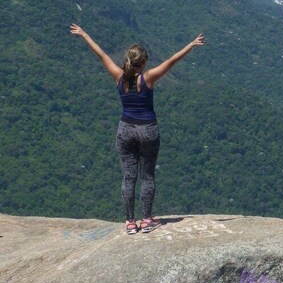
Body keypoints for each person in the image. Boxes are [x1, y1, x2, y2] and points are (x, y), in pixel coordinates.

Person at [70, 24, 205, 234]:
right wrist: (191, 45)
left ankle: (130, 222)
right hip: (148, 130)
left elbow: (101, 54)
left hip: (125, 129)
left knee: (128, 177)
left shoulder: (118, 76)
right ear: (143, 63)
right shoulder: (148, 78)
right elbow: (172, 61)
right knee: (147, 176)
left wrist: (84, 34)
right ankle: (146, 220)